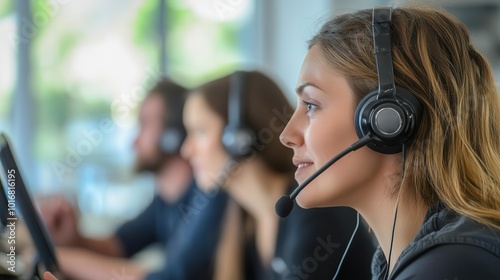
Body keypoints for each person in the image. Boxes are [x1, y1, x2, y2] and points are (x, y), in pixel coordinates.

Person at [279, 6, 500, 280]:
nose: (286, 135)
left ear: (386, 120)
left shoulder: (450, 267)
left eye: (311, 105)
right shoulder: (423, 259)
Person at [180, 70, 375, 279]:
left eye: (199, 132)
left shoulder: (314, 210)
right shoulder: (241, 217)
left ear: (239, 137)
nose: (186, 150)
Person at [40, 78, 229, 280]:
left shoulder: (209, 197)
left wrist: (57, 258)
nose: (134, 141)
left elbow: (172, 277)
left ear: (172, 135)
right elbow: (118, 245)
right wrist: (73, 239)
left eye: (144, 125)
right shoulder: (165, 200)